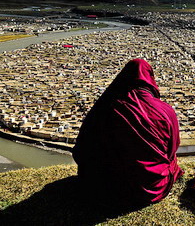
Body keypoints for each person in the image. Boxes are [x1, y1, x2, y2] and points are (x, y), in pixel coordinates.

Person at [72, 58, 183, 206]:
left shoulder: (104, 107)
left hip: (99, 186)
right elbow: (172, 148)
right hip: (147, 189)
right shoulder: (164, 111)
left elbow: (82, 147)